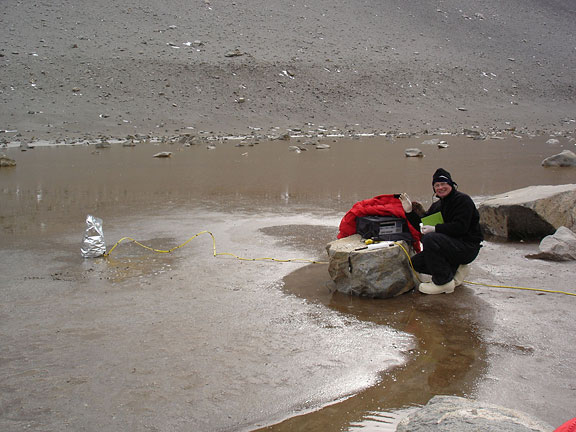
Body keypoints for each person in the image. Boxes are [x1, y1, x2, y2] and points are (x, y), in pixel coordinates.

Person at [399, 168, 483, 295]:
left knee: (430, 238)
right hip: (449, 247)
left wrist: (436, 229)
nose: (440, 187)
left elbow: (461, 227)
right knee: (416, 262)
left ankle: (443, 283)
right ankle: (456, 269)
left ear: (451, 184)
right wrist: (409, 211)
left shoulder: (462, 200)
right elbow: (423, 226)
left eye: (443, 184)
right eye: (437, 185)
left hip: (467, 247)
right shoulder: (437, 205)